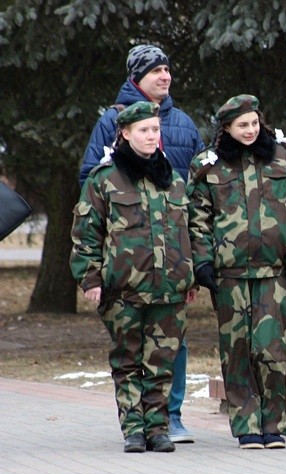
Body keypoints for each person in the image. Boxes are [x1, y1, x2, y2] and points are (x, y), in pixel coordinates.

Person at [78, 44, 204, 444]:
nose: (153, 136)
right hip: (125, 281)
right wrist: (91, 276)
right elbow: (87, 225)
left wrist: (194, 273)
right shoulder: (107, 168)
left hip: (169, 279)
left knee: (164, 358)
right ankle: (134, 428)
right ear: (125, 134)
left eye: (156, 131)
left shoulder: (178, 160)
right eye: (155, 71)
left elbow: (194, 223)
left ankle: (163, 424)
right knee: (129, 357)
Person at [187, 95, 286, 449]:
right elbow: (198, 220)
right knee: (237, 350)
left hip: (273, 273)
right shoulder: (208, 165)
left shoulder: (282, 157)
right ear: (226, 128)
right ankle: (246, 425)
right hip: (230, 276)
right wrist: (202, 262)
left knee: (272, 351)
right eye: (242, 125)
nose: (250, 130)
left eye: (255, 123)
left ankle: (274, 425)